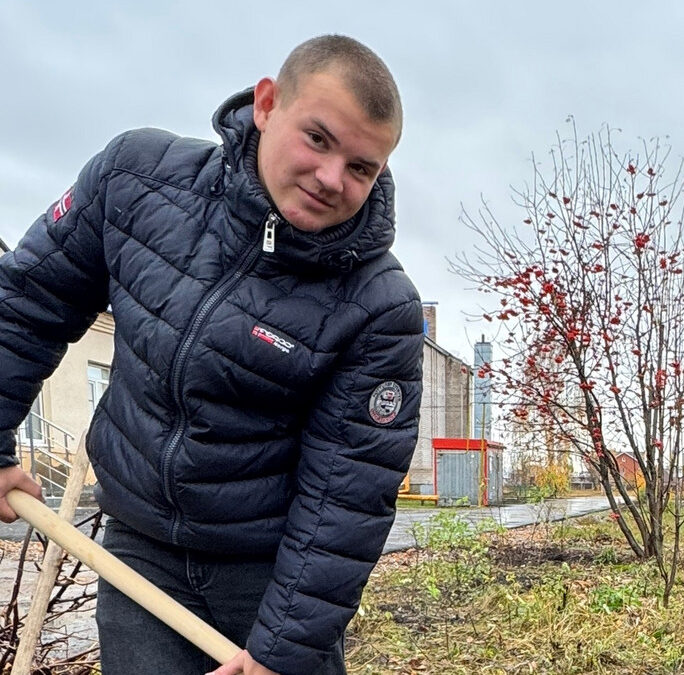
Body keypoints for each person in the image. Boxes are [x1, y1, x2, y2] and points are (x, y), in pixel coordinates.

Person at [0, 35, 424, 675]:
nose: (333, 179)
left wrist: (282, 649)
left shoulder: (377, 305)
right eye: (318, 138)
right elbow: (26, 304)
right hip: (137, 556)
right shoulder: (134, 183)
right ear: (265, 104)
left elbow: (346, 494)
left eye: (362, 167)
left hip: (268, 577)